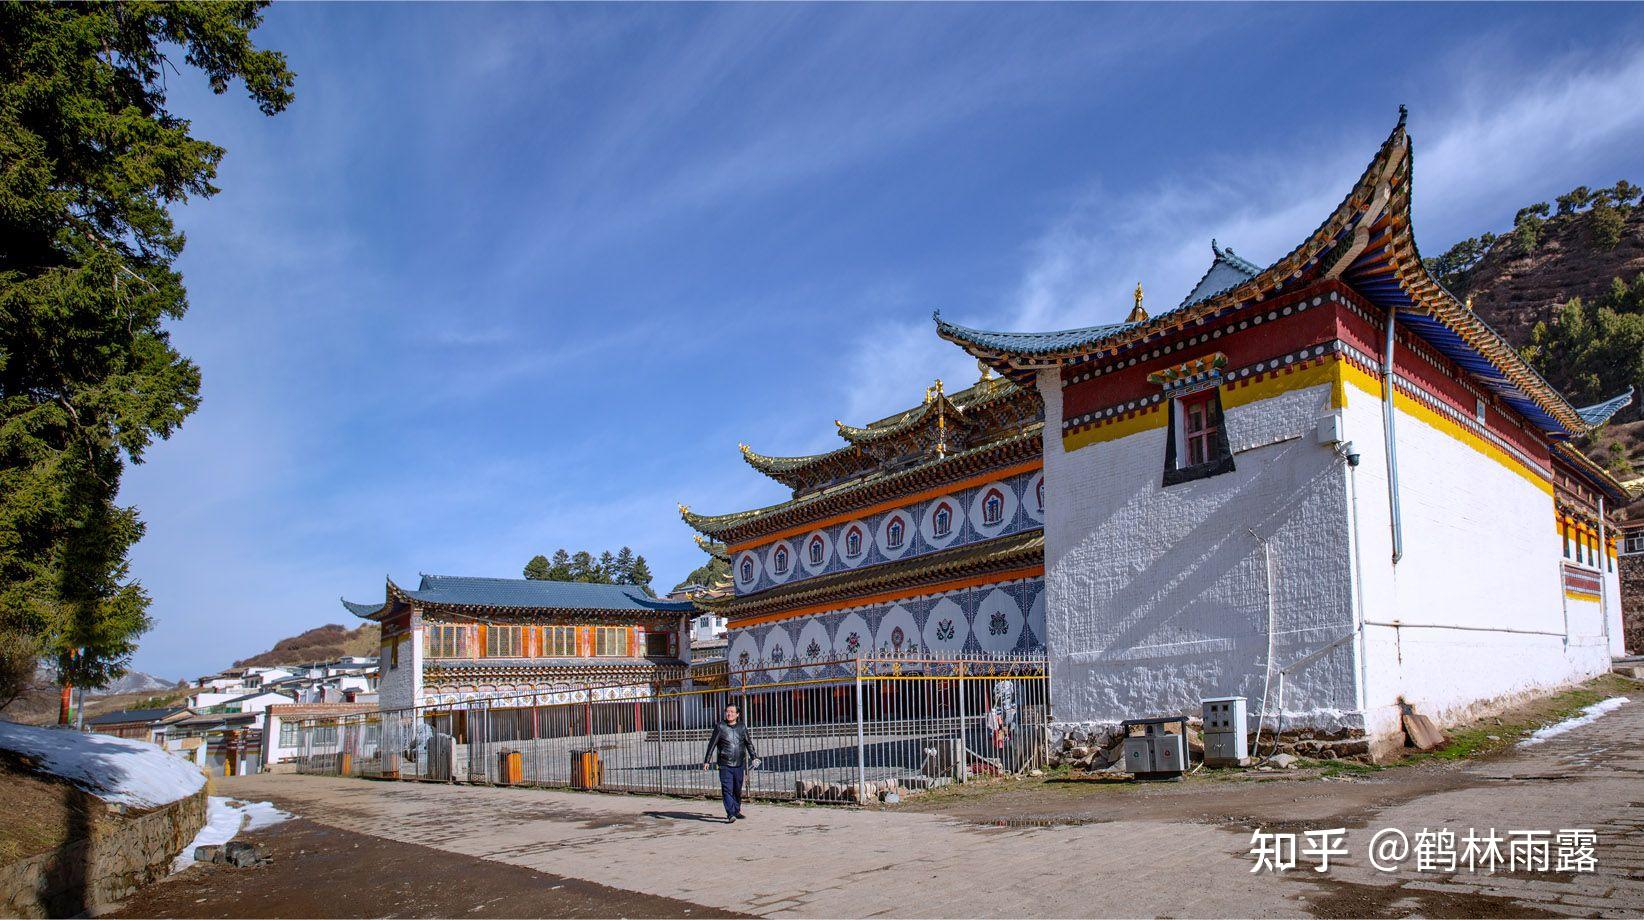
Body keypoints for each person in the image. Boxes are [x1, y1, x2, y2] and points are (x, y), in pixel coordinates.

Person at [702, 703, 759, 822]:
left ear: (737, 714)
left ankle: (736, 810)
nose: (729, 714)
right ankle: (730, 813)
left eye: (732, 712)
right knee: (727, 788)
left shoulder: (742, 727)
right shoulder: (720, 727)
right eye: (727, 711)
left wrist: (754, 757)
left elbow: (748, 743)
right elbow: (712, 744)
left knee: (737, 789)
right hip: (725, 764)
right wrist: (707, 760)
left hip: (739, 764)